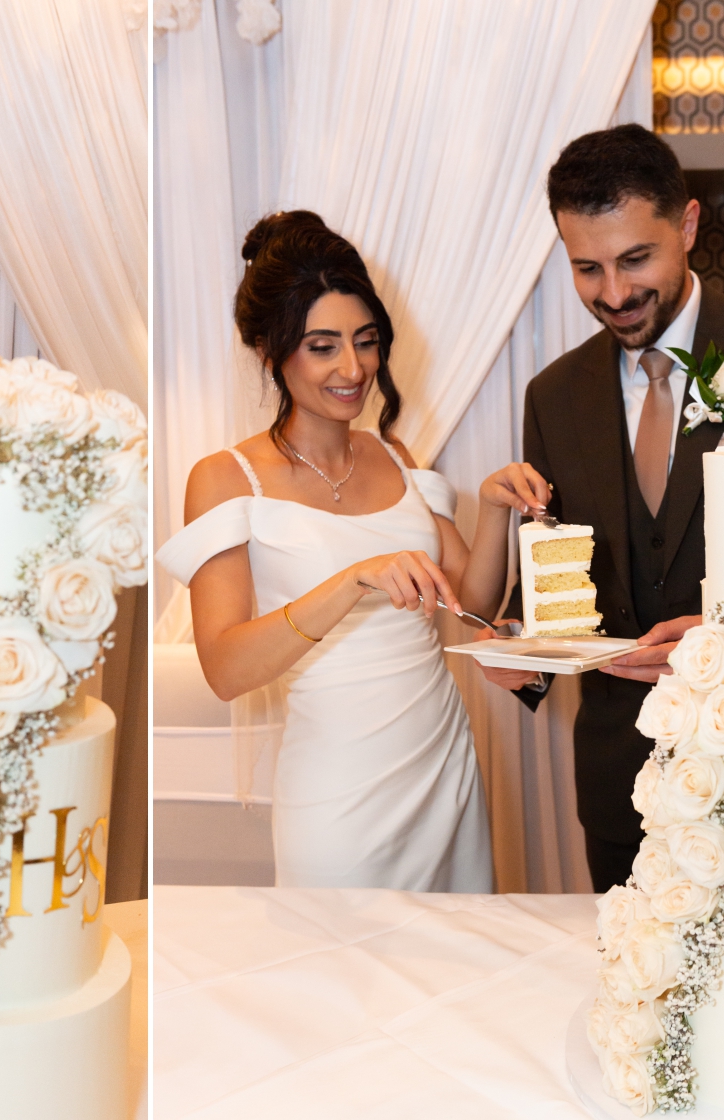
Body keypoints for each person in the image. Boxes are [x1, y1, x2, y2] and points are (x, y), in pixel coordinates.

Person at [478, 124, 724, 892]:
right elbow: (562, 582)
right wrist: (522, 651)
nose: (614, 295)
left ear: (686, 226)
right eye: (587, 268)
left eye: (634, 259)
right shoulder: (553, 395)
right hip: (620, 787)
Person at [156, 211, 549, 890]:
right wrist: (350, 581)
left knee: (456, 950)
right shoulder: (225, 478)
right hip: (337, 789)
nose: (354, 367)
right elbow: (225, 669)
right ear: (268, 351)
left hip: (443, 764)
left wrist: (492, 509)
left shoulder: (394, 455)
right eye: (323, 346)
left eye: (366, 342)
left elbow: (473, 605)